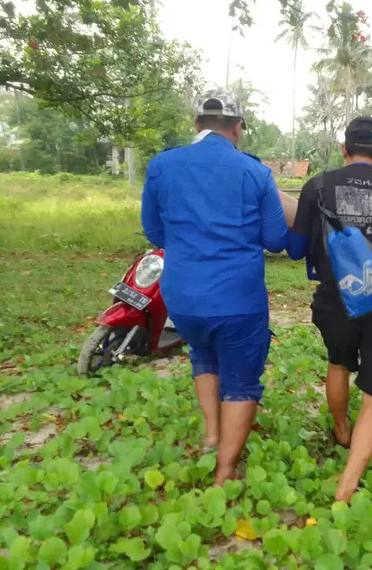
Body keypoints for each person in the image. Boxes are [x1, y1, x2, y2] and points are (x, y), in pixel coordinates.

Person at [141, 87, 294, 486]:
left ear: (196, 125)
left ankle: (212, 436)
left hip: (182, 297)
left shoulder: (162, 166)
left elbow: (154, 230)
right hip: (237, 298)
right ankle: (225, 472)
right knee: (242, 381)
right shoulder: (255, 172)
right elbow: (276, 239)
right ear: (238, 128)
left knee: (203, 356)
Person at [286, 117, 372, 502]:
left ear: (344, 150)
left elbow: (295, 250)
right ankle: (345, 489)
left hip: (336, 300)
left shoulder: (319, 186)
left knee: (338, 363)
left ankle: (342, 431)